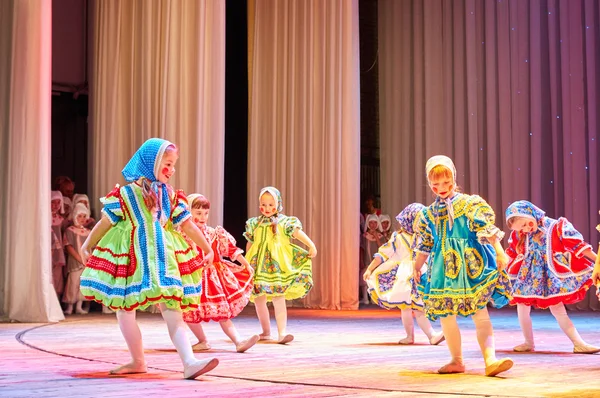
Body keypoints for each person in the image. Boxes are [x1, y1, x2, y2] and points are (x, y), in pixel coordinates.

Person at [80, 138, 219, 379]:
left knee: (171, 307)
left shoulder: (171, 195)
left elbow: (186, 225)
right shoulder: (125, 194)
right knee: (124, 308)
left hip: (163, 257)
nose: (171, 170)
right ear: (150, 163)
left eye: (173, 165)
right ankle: (138, 360)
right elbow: (105, 222)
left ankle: (189, 361)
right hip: (134, 258)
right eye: (167, 164)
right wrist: (86, 245)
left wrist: (208, 248)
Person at [412, 155, 513, 377]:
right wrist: (417, 266)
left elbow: (486, 229)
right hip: (443, 269)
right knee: (446, 315)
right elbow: (426, 243)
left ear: (454, 179)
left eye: (447, 183)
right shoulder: (428, 214)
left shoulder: (469, 204)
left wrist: (500, 252)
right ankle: (456, 360)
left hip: (470, 265)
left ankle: (490, 360)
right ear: (430, 184)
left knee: (480, 312)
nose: (442, 188)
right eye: (436, 184)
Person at [505, 200, 600, 354]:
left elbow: (579, 247)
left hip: (550, 274)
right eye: (521, 228)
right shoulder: (520, 234)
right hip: (527, 276)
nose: (525, 230)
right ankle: (528, 342)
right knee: (522, 305)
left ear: (530, 213)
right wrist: (502, 267)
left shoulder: (556, 227)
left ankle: (578, 343)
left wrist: (598, 262)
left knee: (557, 308)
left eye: (524, 225)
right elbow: (512, 252)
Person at [183, 193, 259, 353]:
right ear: (189, 212)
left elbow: (231, 250)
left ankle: (238, 341)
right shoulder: (184, 234)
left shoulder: (214, 233)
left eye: (205, 213)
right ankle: (202, 340)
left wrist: (245, 264)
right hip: (193, 277)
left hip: (214, 278)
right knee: (188, 311)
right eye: (198, 213)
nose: (203, 217)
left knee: (223, 314)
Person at [364, 203, 444, 345]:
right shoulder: (398, 237)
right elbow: (383, 254)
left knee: (419, 307)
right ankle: (412, 336)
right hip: (403, 276)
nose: (422, 223)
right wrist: (370, 269)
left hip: (420, 272)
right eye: (419, 220)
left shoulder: (423, 237)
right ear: (409, 220)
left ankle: (431, 335)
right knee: (406, 307)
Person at [244, 186, 317, 344]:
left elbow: (297, 234)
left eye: (271, 204)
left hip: (277, 264)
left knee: (278, 296)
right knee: (258, 298)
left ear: (278, 204)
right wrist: (245, 262)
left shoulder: (284, 222)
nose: (267, 208)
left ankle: (282, 332)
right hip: (257, 264)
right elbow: (250, 243)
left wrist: (311, 245)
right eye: (264, 204)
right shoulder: (254, 223)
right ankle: (265, 331)